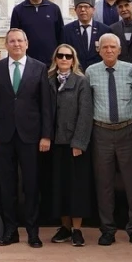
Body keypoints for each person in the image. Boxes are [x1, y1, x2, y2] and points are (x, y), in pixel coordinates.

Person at [0, 29, 53, 246]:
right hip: (3, 137)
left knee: (31, 185)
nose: (16, 44)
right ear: (6, 45)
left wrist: (46, 136)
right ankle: (10, 230)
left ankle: (33, 232)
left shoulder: (39, 68)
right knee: (6, 185)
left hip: (31, 137)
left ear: (27, 43)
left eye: (20, 41)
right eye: (12, 41)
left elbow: (45, 106)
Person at [86, 33, 132, 246]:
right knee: (104, 183)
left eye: (113, 47)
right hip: (101, 132)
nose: (109, 50)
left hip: (127, 130)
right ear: (98, 50)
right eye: (105, 47)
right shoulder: (91, 72)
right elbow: (88, 103)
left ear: (119, 50)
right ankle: (107, 229)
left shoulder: (130, 69)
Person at [46, 44, 94, 247]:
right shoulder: (48, 81)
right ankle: (64, 227)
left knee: (76, 187)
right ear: (55, 59)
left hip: (74, 142)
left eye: (68, 56)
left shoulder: (81, 81)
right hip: (54, 142)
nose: (64, 59)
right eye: (60, 56)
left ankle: (77, 229)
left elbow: (85, 114)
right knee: (59, 187)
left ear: (73, 60)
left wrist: (79, 142)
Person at [8, 0, 64, 66]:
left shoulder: (54, 9)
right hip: (27, 63)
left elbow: (60, 36)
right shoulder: (18, 10)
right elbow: (13, 38)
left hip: (50, 63)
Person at [63, 0, 105, 69]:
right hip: (75, 74)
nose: (83, 10)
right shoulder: (67, 31)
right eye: (80, 7)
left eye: (86, 7)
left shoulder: (103, 30)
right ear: (75, 10)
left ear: (93, 10)